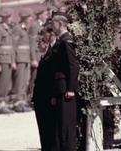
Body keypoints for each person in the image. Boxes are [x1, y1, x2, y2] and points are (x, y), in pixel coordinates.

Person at [49, 12, 79, 151]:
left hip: (66, 88)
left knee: (66, 126)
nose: (52, 26)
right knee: (60, 124)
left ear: (60, 24)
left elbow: (73, 66)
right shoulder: (61, 41)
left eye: (53, 23)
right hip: (60, 88)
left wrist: (71, 89)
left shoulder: (67, 41)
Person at [33, 22, 56, 151]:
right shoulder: (44, 57)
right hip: (40, 98)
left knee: (47, 128)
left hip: (46, 98)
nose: (37, 46)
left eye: (39, 43)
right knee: (42, 128)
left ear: (45, 43)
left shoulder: (50, 56)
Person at [0, 8, 16, 114]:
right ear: (4, 18)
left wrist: (12, 61)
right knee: (2, 82)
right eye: (9, 17)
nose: (10, 19)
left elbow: (11, 47)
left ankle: (3, 103)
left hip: (8, 60)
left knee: (7, 82)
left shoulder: (8, 29)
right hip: (2, 59)